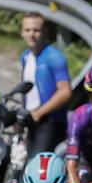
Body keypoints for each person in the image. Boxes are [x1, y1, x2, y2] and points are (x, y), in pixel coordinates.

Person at [18, 12, 72, 156]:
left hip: (51, 122)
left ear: (45, 32)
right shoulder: (25, 56)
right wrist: (21, 114)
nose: (31, 34)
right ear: (22, 32)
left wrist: (39, 112)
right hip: (32, 119)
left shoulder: (54, 57)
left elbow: (65, 91)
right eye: (27, 30)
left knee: (38, 167)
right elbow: (26, 88)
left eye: (36, 30)